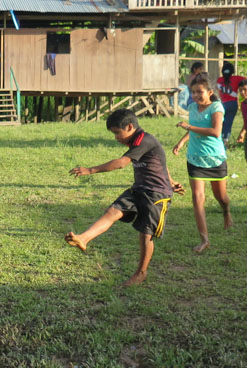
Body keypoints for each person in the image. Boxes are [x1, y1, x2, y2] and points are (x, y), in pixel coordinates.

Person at [66, 109, 183, 286]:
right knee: (112, 211)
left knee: (146, 234)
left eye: (117, 133)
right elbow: (160, 161)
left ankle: (141, 273)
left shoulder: (145, 139)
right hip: (139, 189)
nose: (116, 137)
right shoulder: (136, 141)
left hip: (156, 194)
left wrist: (90, 170)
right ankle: (84, 238)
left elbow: (121, 163)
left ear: (130, 127)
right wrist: (172, 180)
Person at [173, 74, 232, 253]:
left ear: (210, 92)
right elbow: (194, 127)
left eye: (200, 92)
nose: (196, 96)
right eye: (193, 92)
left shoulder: (216, 107)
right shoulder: (192, 107)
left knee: (221, 197)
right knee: (198, 198)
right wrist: (182, 141)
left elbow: (215, 132)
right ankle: (204, 239)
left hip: (214, 159)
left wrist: (188, 127)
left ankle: (226, 212)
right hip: (195, 158)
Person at [216, 61, 245, 144]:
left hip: (221, 104)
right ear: (232, 71)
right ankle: (225, 141)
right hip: (232, 104)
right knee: (228, 123)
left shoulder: (219, 80)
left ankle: (217, 139)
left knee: (219, 122)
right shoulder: (237, 78)